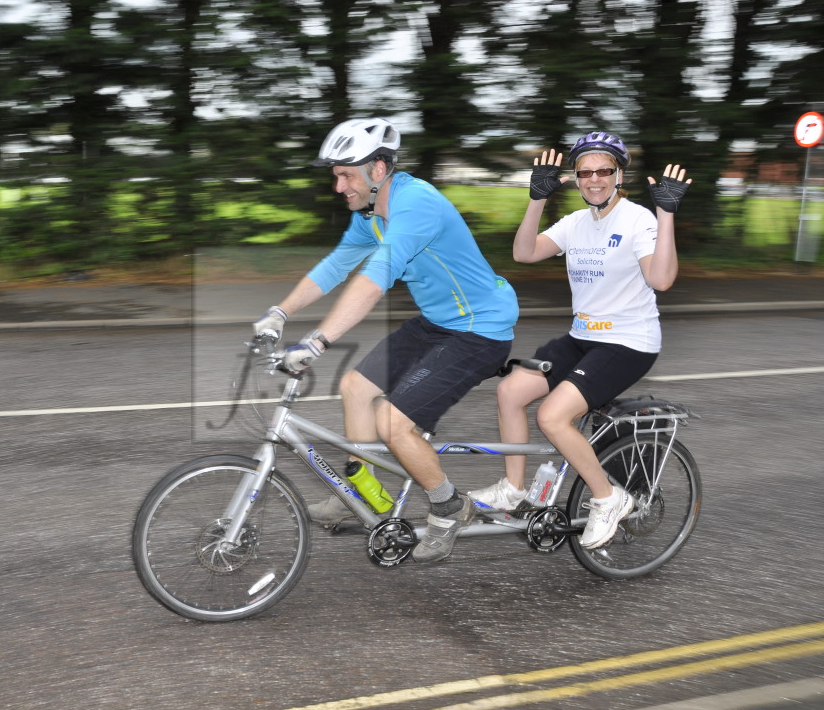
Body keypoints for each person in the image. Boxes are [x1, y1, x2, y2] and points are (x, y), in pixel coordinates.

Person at [252, 117, 519, 563]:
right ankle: (366, 498)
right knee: (355, 389)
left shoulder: (417, 205)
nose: (338, 187)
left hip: (480, 329)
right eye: (335, 175)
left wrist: (317, 342)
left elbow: (373, 281)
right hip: (438, 322)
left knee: (392, 422)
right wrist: (279, 313)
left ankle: (449, 506)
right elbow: (336, 268)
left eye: (345, 174)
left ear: (378, 170)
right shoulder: (371, 215)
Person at [468, 130, 692, 549]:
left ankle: (609, 498)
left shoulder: (638, 219)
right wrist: (536, 199)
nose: (594, 179)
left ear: (619, 174)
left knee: (552, 416)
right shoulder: (575, 223)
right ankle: (515, 490)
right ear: (574, 177)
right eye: (585, 172)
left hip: (628, 341)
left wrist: (666, 215)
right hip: (582, 336)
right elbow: (524, 252)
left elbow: (661, 280)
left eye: (604, 170)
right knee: (510, 393)